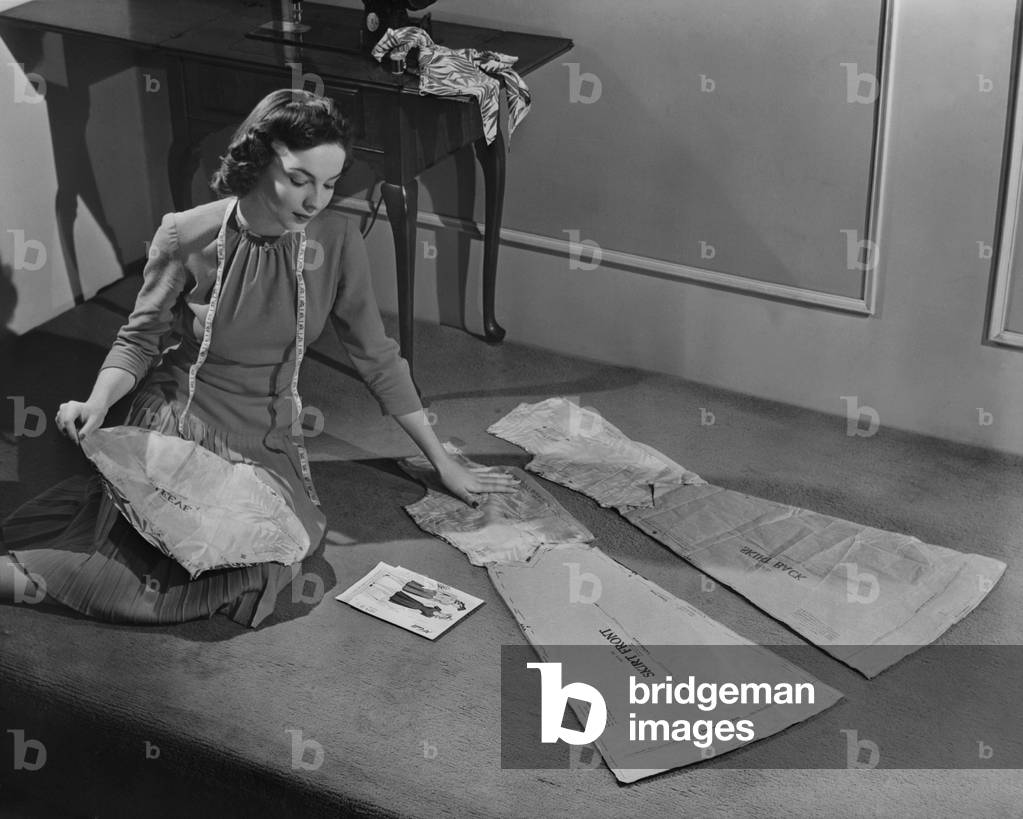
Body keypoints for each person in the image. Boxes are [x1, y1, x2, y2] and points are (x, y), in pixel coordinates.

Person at [0, 88, 518, 627]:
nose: (316, 199)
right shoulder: (186, 233)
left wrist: (443, 461)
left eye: (330, 183)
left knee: (257, 559)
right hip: (182, 419)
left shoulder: (337, 240)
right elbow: (139, 339)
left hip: (266, 439)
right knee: (157, 565)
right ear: (259, 159)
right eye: (299, 180)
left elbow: (377, 356)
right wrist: (98, 401)